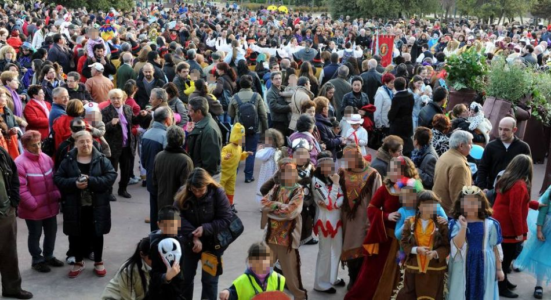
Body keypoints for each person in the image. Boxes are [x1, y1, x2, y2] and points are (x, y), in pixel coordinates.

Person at [345, 156, 419, 300]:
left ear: (405, 171)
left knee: (401, 275)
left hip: (405, 243)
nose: (391, 172)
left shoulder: (415, 187)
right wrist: (386, 216)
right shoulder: (385, 189)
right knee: (371, 274)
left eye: (396, 170)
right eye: (390, 169)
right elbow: (371, 208)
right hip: (385, 240)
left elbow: (425, 207)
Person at [54, 130, 117, 278]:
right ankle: (78, 261)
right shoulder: (68, 159)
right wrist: (74, 183)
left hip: (97, 205)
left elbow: (111, 176)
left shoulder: (101, 159)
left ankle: (99, 261)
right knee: (76, 234)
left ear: (92, 142)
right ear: (76, 144)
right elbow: (58, 178)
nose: (85, 144)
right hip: (75, 205)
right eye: (81, 142)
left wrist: (92, 181)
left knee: (97, 233)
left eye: (88, 141)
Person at [174, 168, 233, 300]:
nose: (197, 193)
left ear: (208, 184)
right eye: (194, 190)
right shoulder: (183, 192)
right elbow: (176, 217)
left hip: (212, 245)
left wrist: (205, 228)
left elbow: (226, 218)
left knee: (210, 282)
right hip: (189, 243)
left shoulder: (218, 193)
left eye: (201, 190)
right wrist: (194, 236)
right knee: (185, 279)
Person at [492, 154, 541, 298]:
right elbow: (515, 210)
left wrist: (535, 205)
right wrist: (519, 232)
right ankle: (501, 287)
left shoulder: (507, 180)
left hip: (501, 223)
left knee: (505, 257)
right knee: (506, 258)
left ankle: (504, 282)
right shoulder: (519, 184)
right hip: (508, 227)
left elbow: (518, 202)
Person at [15, 130, 63, 273]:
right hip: (33, 209)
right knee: (35, 234)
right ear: (25, 146)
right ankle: (37, 259)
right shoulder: (19, 163)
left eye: (39, 143)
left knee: (51, 232)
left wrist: (56, 195)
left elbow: (54, 179)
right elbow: (20, 189)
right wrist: (33, 204)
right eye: (33, 145)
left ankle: (49, 256)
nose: (38, 148)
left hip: (50, 205)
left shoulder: (46, 158)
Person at [261, 158, 308, 300]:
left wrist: (273, 208)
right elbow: (263, 204)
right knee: (262, 273)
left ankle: (300, 297)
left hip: (287, 240)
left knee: (291, 277)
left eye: (291, 171)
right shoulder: (276, 188)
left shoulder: (298, 191)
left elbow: (290, 213)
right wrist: (279, 206)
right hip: (270, 238)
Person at [447, 185, 504, 300]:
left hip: (484, 264)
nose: (470, 206)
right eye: (466, 202)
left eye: (474, 202)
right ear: (460, 204)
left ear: (481, 204)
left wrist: (499, 269)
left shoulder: (491, 224)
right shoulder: (455, 224)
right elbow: (457, 246)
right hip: (462, 264)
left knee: (482, 293)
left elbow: (496, 248)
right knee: (462, 292)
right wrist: (463, 227)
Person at [396, 190, 450, 300]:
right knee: (408, 295)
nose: (429, 208)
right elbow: (404, 243)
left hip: (434, 270)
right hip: (413, 269)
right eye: (426, 205)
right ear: (419, 206)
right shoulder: (410, 222)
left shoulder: (441, 223)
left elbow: (447, 246)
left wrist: (436, 253)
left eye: (433, 204)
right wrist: (416, 250)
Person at [0, 144, 33, 299]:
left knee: (9, 252)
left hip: (6, 213)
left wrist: (14, 202)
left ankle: (12, 288)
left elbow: (13, 176)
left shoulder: (1, 153)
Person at [102, 88, 146, 199]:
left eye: (118, 98)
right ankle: (109, 192)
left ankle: (123, 189)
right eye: (113, 98)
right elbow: (102, 129)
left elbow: (134, 122)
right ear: (109, 99)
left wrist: (141, 115)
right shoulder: (106, 111)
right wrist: (110, 124)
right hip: (113, 146)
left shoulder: (128, 108)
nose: (116, 100)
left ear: (123, 99)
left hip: (127, 145)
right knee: (112, 170)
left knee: (126, 170)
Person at [312, 151, 346, 293]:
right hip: (324, 221)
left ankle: (332, 278)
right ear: (319, 166)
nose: (329, 168)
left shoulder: (330, 178)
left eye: (331, 164)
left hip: (336, 219)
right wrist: (336, 185)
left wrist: (336, 203)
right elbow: (329, 201)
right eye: (326, 165)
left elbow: (340, 198)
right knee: (325, 252)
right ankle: (320, 283)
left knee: (337, 250)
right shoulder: (316, 181)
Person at [228, 76, 268, 183]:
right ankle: (248, 176)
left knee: (237, 150)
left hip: (239, 130)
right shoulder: (257, 96)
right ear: (251, 85)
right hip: (254, 129)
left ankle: (233, 175)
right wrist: (265, 128)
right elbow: (263, 114)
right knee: (251, 151)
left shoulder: (235, 97)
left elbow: (230, 113)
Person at [514, 185, 551, 300]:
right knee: (541, 257)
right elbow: (542, 210)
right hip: (547, 229)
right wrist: (539, 231)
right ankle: (539, 285)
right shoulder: (550, 191)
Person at [476, 117, 531, 191]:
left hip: (514, 190)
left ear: (514, 130)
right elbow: (483, 168)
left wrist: (526, 189)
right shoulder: (491, 146)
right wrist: (482, 187)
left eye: (506, 129)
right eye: (500, 129)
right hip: (492, 190)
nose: (502, 132)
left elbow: (527, 171)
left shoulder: (523, 147)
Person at [219, 242, 286, 300]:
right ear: (250, 260)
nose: (261, 262)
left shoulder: (278, 279)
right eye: (257, 259)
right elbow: (231, 293)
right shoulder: (241, 281)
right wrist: (226, 292)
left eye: (264, 258)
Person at [142, 106, 171, 230]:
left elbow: (143, 160)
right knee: (167, 213)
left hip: (150, 178)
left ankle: (153, 238)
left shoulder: (147, 134)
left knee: (154, 210)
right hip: (164, 182)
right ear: (167, 119)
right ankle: (167, 240)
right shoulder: (165, 136)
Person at [147, 206, 185, 299]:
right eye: (165, 225)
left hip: (177, 289)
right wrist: (166, 277)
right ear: (159, 224)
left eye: (173, 225)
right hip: (160, 293)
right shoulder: (155, 245)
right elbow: (153, 273)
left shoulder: (180, 241)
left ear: (178, 224)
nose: (170, 229)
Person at [433, 130, 473, 216]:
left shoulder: (445, 155)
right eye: (470, 144)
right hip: (449, 214)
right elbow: (458, 195)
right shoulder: (459, 165)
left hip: (440, 208)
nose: (472, 147)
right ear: (461, 145)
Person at [153, 125, 193, 211]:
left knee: (165, 224)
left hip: (162, 202)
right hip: (179, 205)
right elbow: (187, 187)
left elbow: (154, 181)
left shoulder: (159, 156)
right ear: (182, 140)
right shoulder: (185, 160)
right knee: (173, 224)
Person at [187, 97, 222, 179]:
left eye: (190, 111)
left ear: (199, 112)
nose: (188, 113)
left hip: (205, 177)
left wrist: (201, 179)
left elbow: (210, 162)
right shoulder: (203, 125)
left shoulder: (209, 131)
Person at [221, 123, 252, 212]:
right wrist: (224, 157)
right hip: (224, 173)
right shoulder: (227, 148)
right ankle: (219, 207)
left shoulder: (239, 148)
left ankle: (229, 205)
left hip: (232, 173)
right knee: (219, 190)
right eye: (240, 137)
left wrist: (245, 154)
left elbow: (239, 157)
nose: (242, 139)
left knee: (230, 190)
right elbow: (221, 156)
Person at [255, 129, 284, 203]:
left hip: (267, 169)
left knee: (265, 183)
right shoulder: (276, 149)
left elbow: (260, 156)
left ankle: (264, 201)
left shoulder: (269, 149)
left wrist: (259, 150)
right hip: (273, 168)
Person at [388, 77, 414, 157]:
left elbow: (392, 114)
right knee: (407, 144)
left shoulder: (396, 98)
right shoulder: (410, 95)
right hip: (408, 123)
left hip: (398, 126)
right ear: (405, 85)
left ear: (394, 87)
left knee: (397, 145)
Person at [267, 71, 291, 137]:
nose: (278, 80)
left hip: (287, 120)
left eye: (280, 78)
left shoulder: (284, 89)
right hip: (278, 121)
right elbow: (274, 107)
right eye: (276, 79)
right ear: (272, 80)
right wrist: (289, 107)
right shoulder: (271, 92)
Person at [0, 88, 21, 159]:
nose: (5, 99)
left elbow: (15, 125)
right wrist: (8, 132)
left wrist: (17, 133)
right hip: (2, 148)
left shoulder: (7, 110)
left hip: (12, 144)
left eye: (5, 97)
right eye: (3, 96)